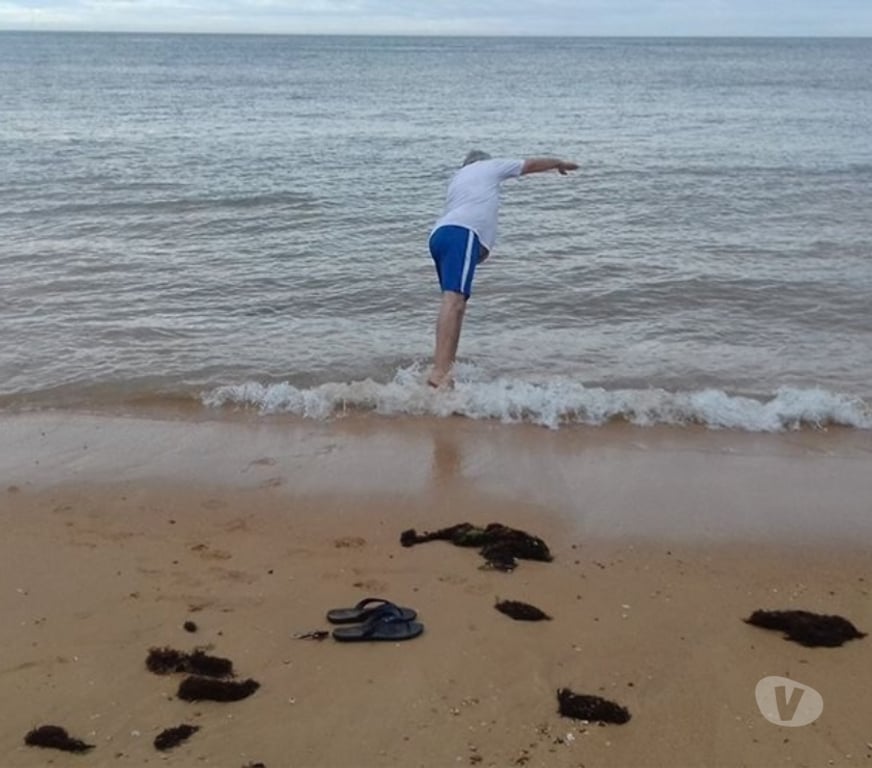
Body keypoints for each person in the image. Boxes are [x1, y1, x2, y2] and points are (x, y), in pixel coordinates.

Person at [426, 150, 579, 388]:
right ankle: (439, 373)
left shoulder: (458, 178)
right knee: (454, 302)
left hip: (440, 236)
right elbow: (530, 164)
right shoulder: (488, 166)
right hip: (462, 232)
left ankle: (445, 368)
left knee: (454, 304)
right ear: (483, 162)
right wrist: (558, 162)